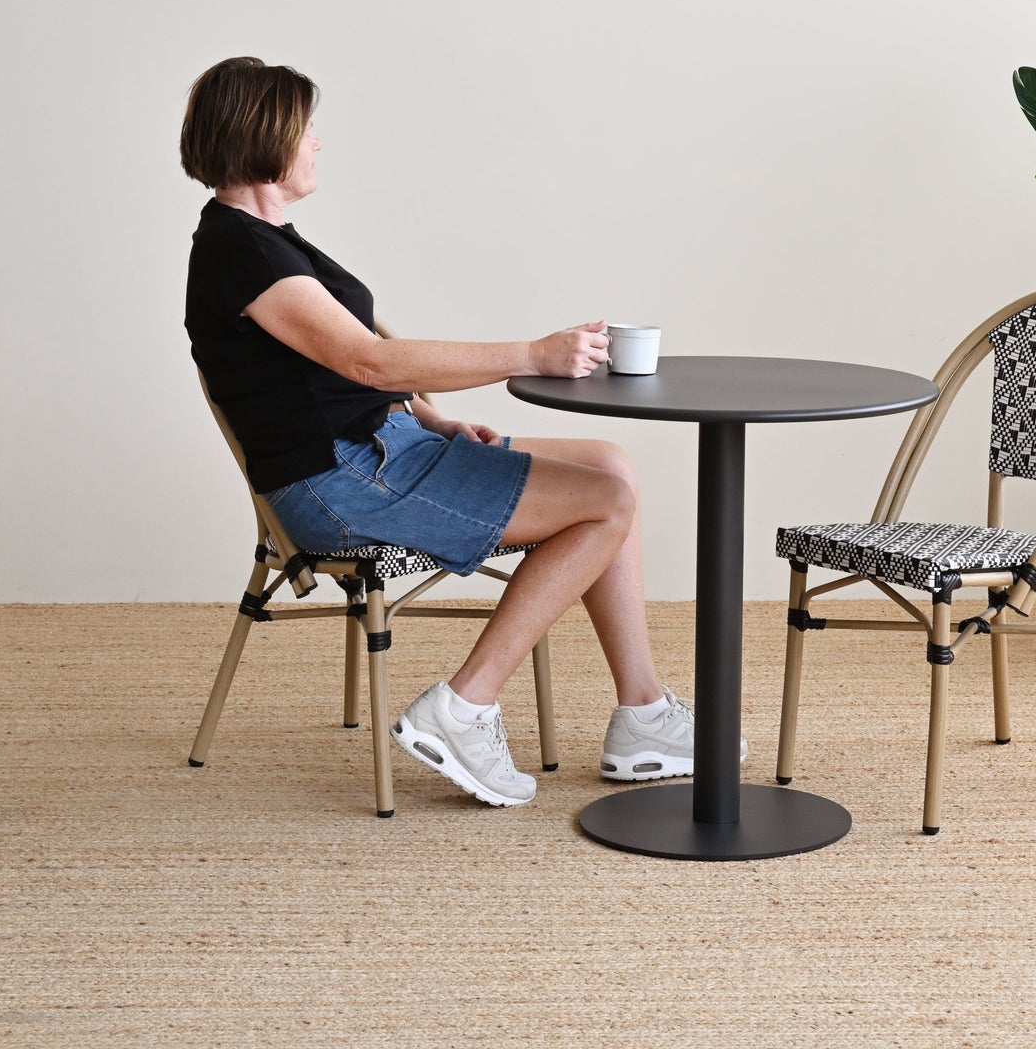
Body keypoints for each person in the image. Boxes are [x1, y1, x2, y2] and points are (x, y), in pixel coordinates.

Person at [181, 56, 741, 808]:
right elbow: (365, 358)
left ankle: (642, 715)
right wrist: (533, 354)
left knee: (610, 463)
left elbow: (341, 362)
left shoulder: (268, 238)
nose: (317, 142)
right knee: (605, 503)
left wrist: (426, 413)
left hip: (381, 448)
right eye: (307, 127)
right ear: (265, 132)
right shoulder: (238, 251)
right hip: (340, 482)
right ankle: (464, 708)